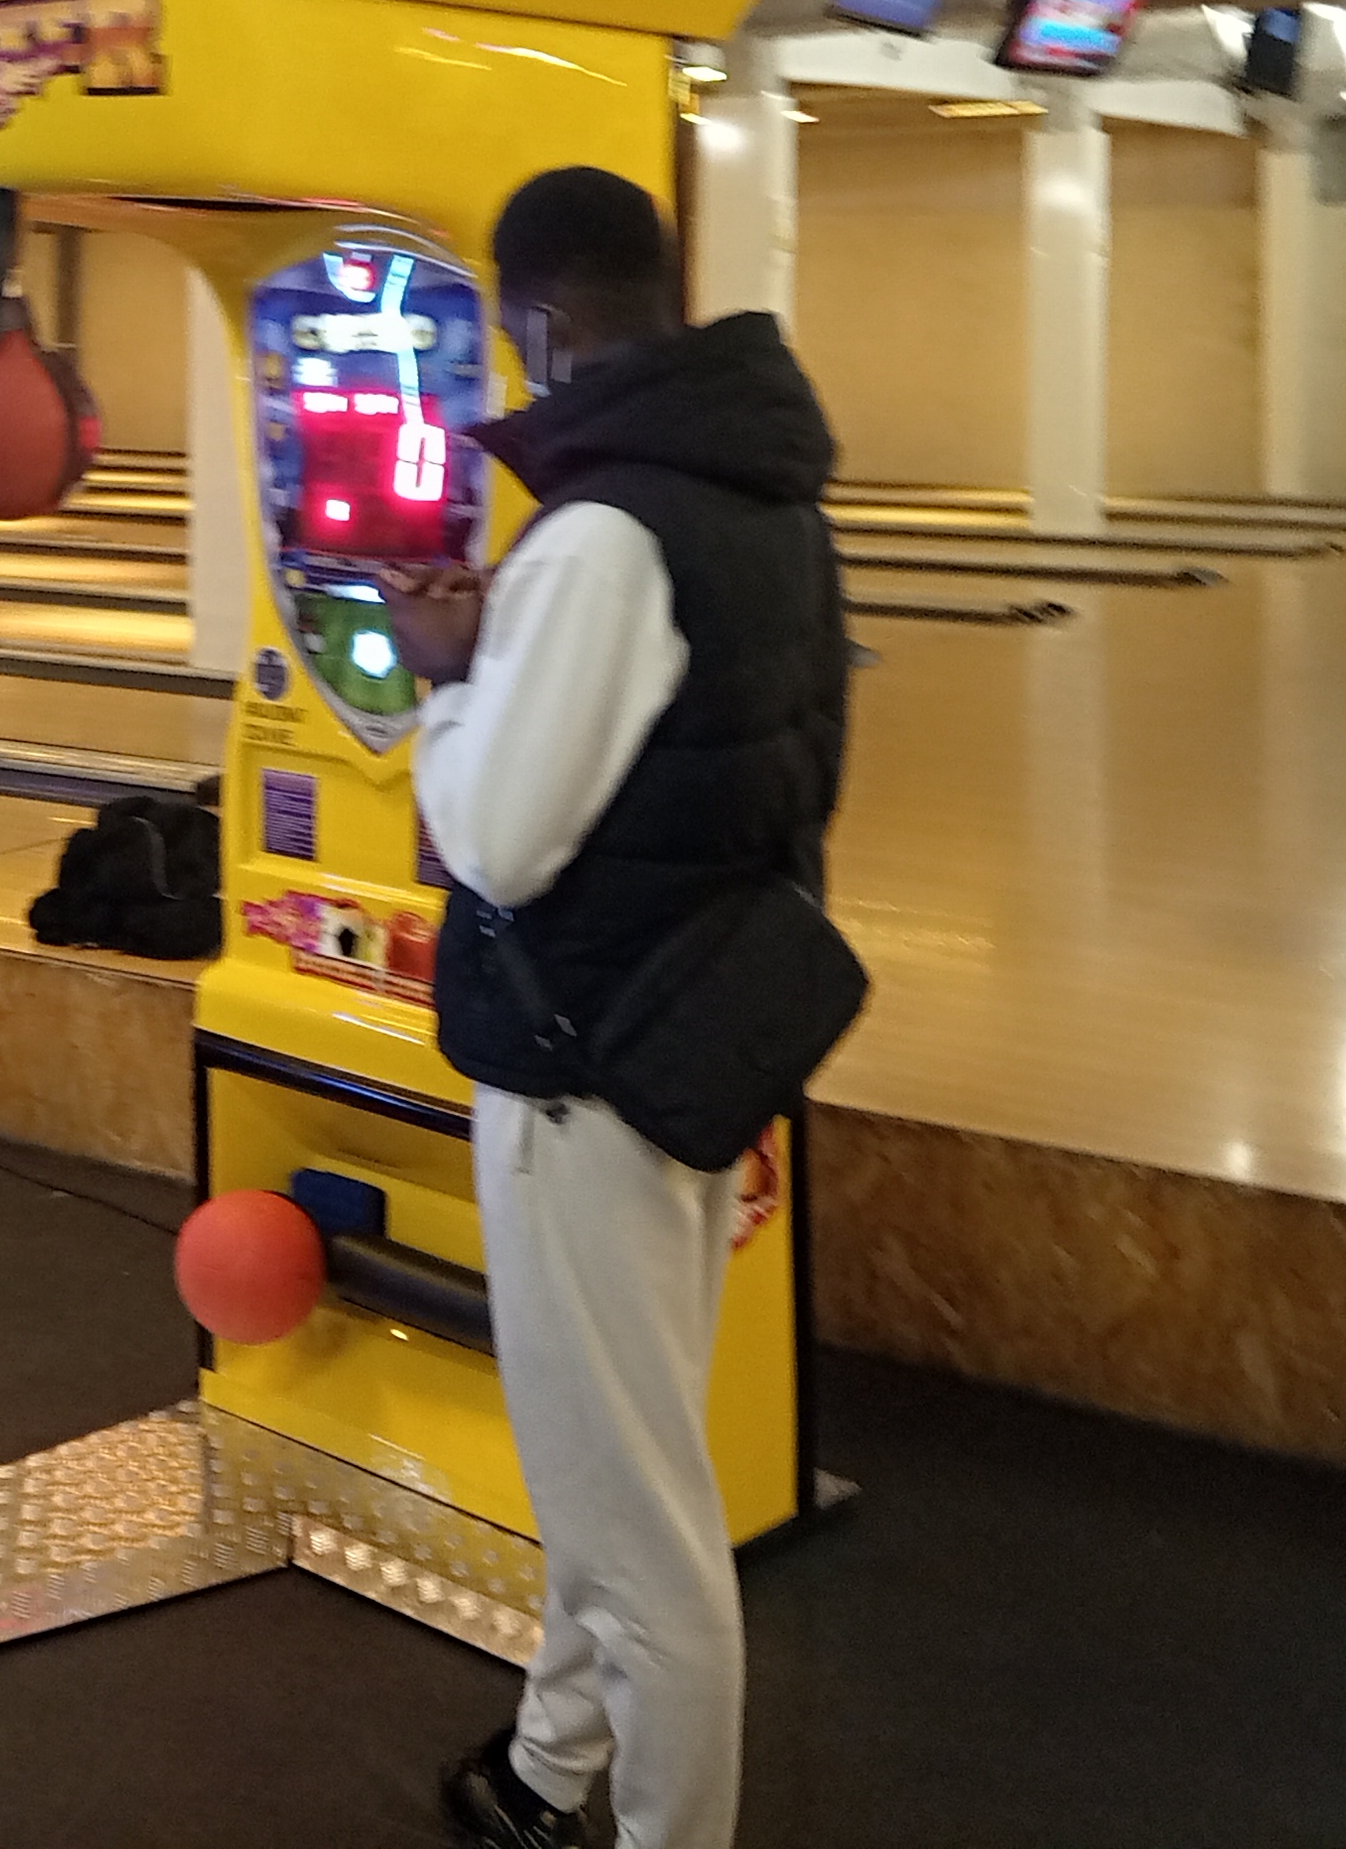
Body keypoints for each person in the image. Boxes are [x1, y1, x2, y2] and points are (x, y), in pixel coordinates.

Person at [380, 168, 849, 1849]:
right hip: (691, 1036)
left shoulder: (598, 535)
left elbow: (496, 842)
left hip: (583, 1075)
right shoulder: (768, 501)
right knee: (607, 1469)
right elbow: (773, 778)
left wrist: (450, 689)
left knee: (639, 1531)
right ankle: (546, 1766)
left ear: (536, 318)